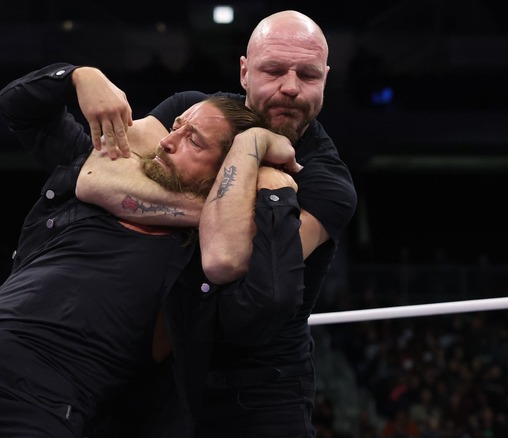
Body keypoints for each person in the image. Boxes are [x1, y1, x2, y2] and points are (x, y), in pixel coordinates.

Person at [0, 63, 300, 437]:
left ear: (225, 169)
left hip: (43, 403)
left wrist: (252, 149)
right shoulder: (95, 182)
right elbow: (19, 106)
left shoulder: (202, 252)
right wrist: (78, 75)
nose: (169, 142)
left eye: (192, 139)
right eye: (176, 126)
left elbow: (249, 280)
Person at [76, 9, 358, 437]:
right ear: (244, 72)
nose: (290, 87)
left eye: (308, 74)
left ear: (326, 77)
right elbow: (98, 179)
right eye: (274, 70)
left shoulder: (326, 182)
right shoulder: (191, 113)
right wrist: (221, 198)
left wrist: (177, 202)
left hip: (259, 390)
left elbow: (240, 257)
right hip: (150, 369)